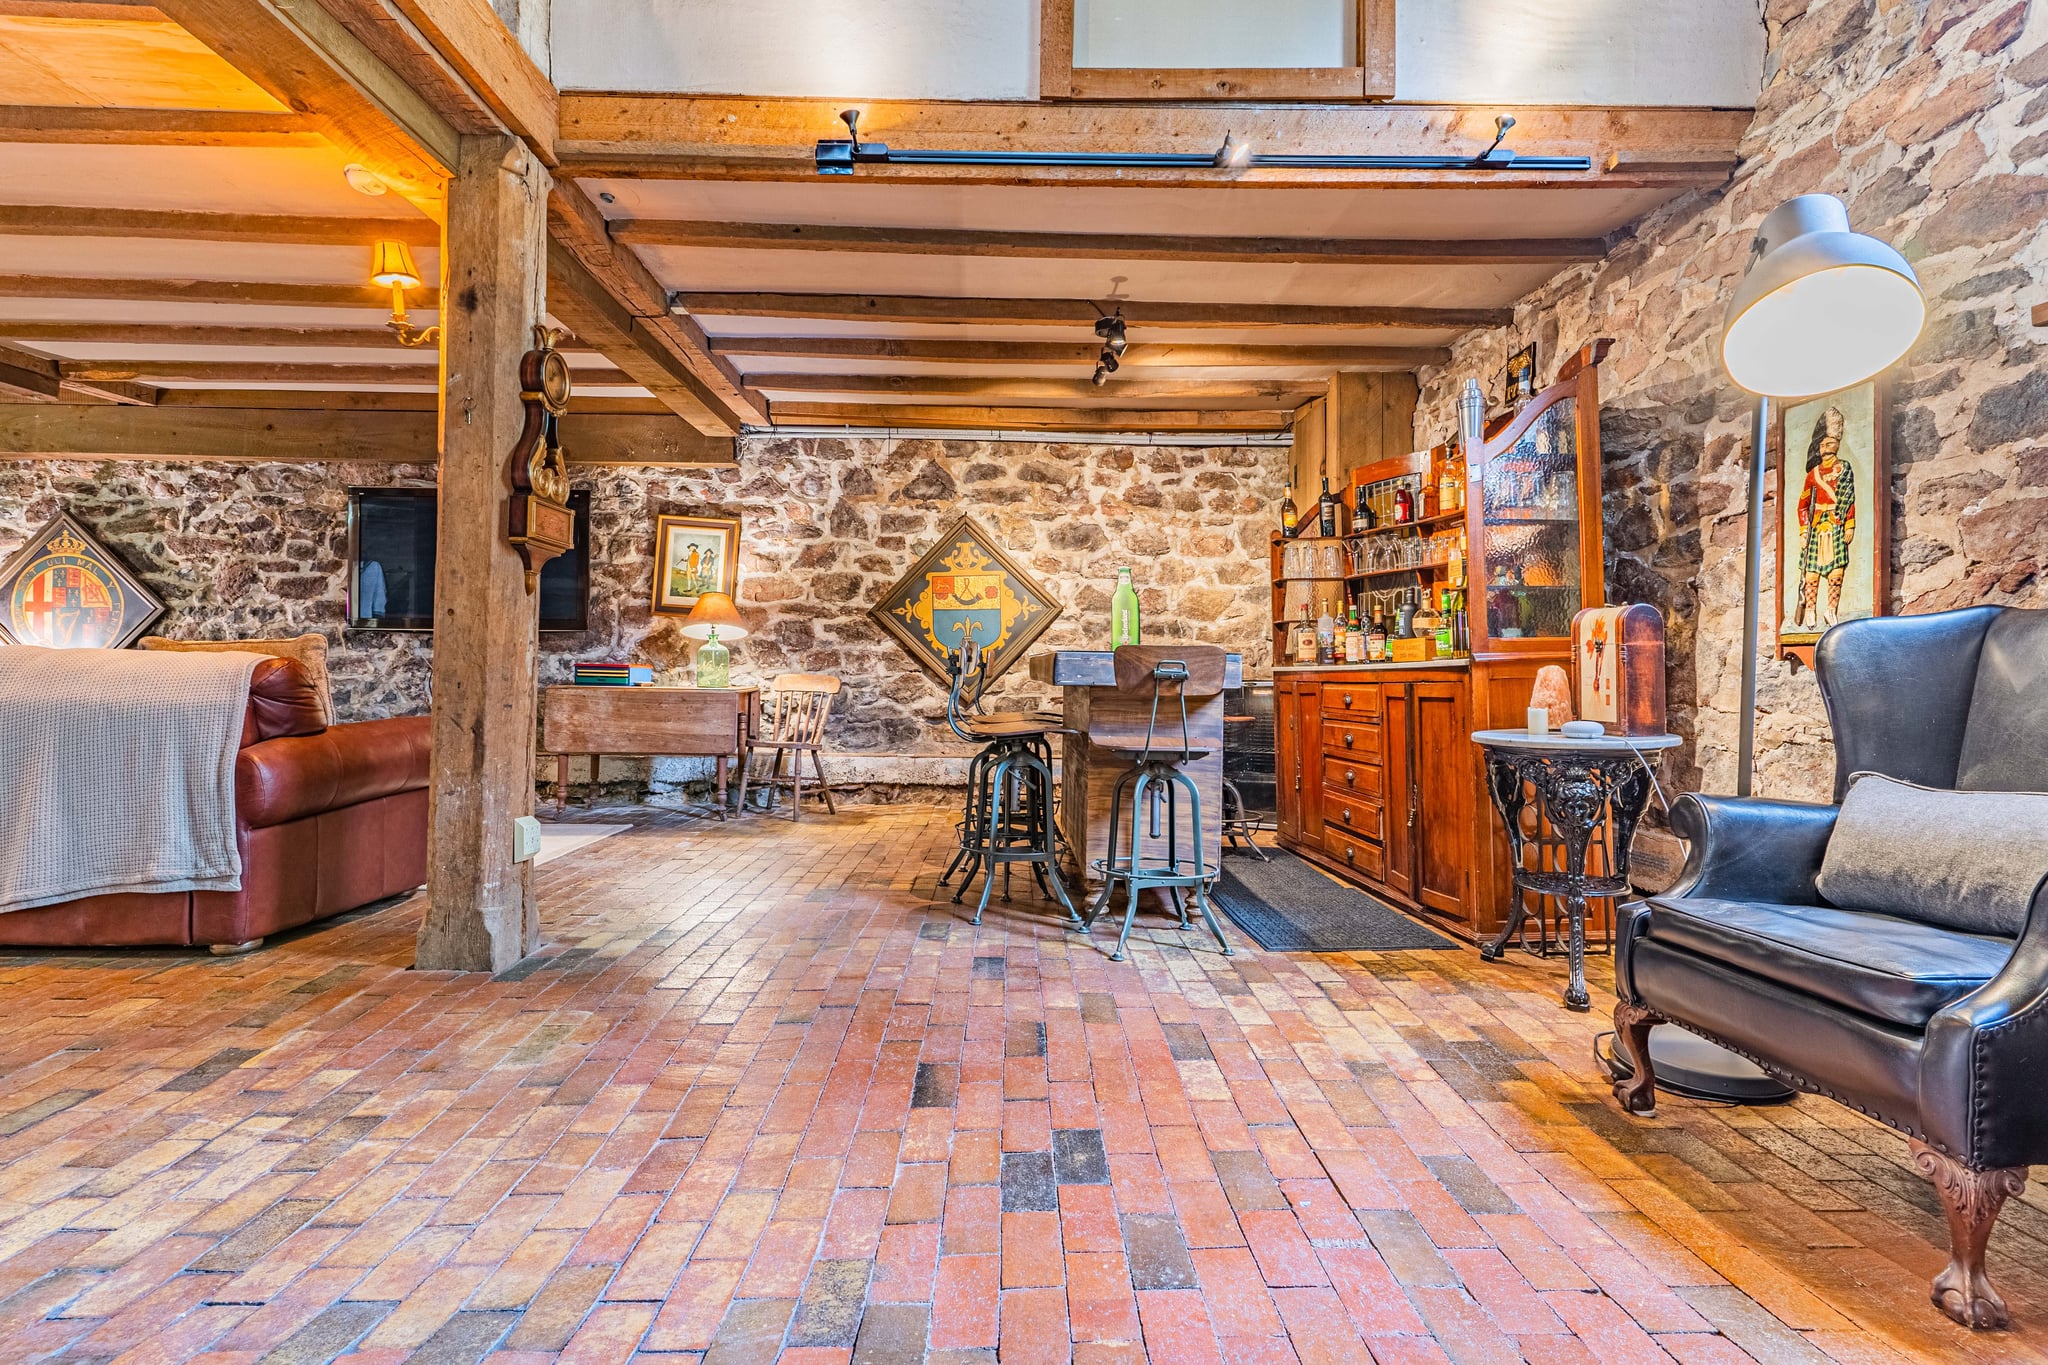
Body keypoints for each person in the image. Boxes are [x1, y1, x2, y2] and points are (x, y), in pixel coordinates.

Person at [1793, 405, 1856, 628]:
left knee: (1836, 571)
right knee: (1811, 573)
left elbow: (1849, 499)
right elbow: (1803, 505)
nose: (1826, 448)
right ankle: (1810, 610)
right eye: (1822, 444)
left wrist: (1849, 525)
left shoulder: (1845, 469)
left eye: (1829, 443)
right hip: (1817, 527)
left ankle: (1831, 610)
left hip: (1836, 524)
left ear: (1837, 444)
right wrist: (1803, 530)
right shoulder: (1813, 475)